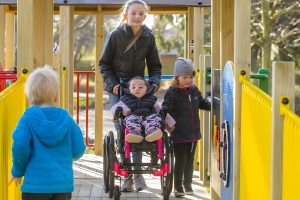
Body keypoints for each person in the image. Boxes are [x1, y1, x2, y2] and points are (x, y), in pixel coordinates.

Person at [99, 0, 162, 192]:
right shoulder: (115, 36)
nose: (136, 17)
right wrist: (114, 85)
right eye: (133, 13)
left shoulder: (148, 37)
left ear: (145, 16)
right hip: (118, 89)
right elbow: (104, 64)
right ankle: (127, 176)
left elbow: (155, 65)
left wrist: (155, 81)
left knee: (140, 124)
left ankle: (138, 175)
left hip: (137, 88)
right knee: (123, 128)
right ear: (126, 15)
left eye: (140, 13)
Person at [9, 65, 86, 200]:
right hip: (62, 186)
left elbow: (20, 145)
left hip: (35, 187)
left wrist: (18, 170)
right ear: (56, 96)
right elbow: (79, 148)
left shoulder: (27, 118)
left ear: (30, 96)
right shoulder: (66, 119)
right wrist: (67, 155)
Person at [162, 57, 211, 197]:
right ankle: (178, 187)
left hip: (193, 132)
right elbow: (167, 107)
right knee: (181, 160)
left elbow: (201, 103)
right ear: (177, 77)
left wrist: (212, 106)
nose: (189, 80)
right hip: (178, 132)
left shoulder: (194, 90)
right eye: (185, 77)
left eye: (191, 77)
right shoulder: (172, 93)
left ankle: (187, 184)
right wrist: (163, 112)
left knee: (190, 160)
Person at [111, 76, 175, 143]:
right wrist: (124, 110)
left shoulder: (151, 100)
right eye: (133, 87)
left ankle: (152, 133)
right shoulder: (125, 100)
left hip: (148, 117)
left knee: (155, 118)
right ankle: (134, 134)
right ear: (129, 90)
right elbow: (114, 108)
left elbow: (161, 111)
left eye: (140, 87)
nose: (137, 89)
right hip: (133, 117)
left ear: (147, 89)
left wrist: (170, 123)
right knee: (130, 120)